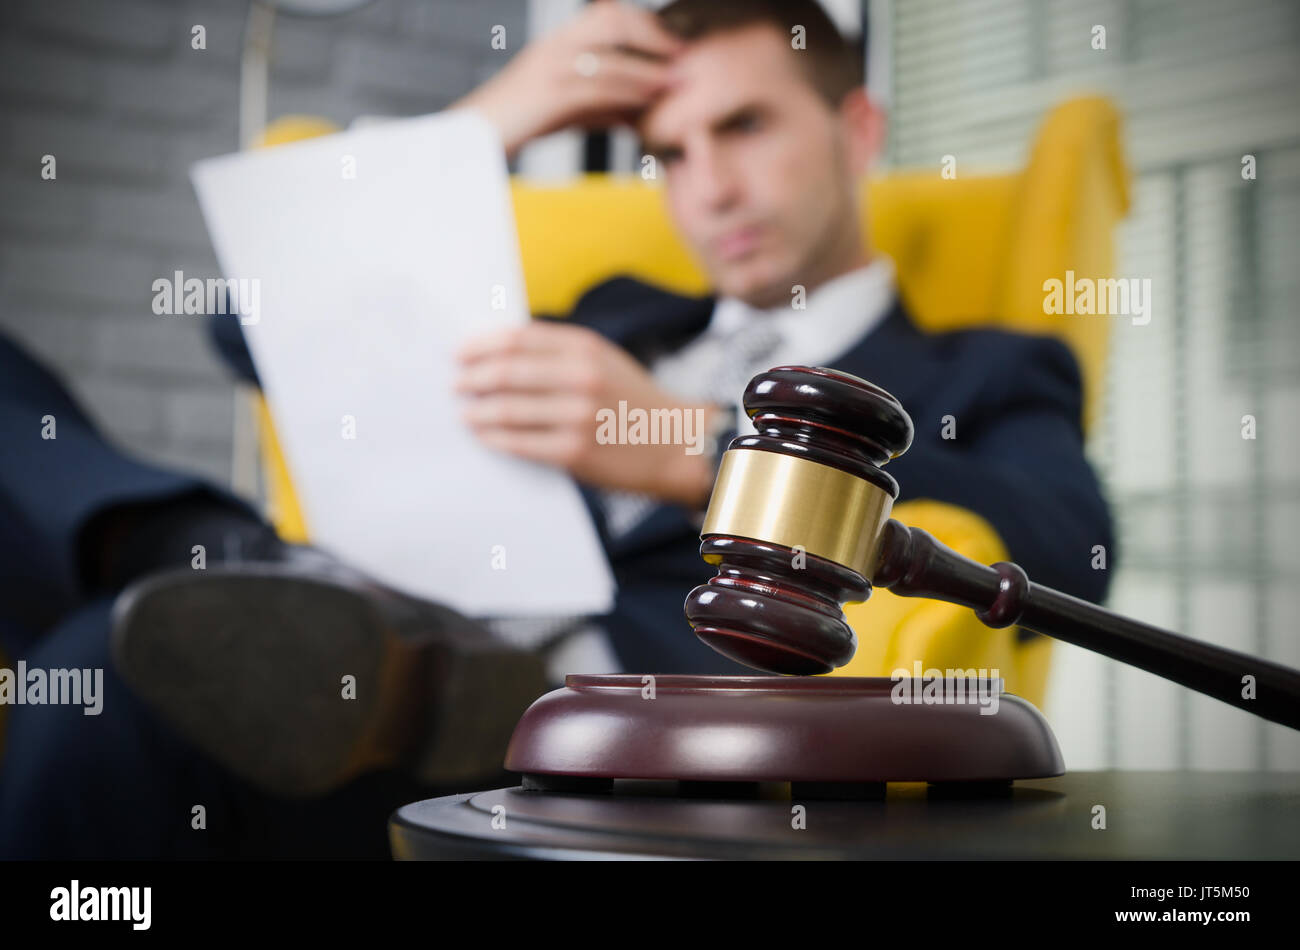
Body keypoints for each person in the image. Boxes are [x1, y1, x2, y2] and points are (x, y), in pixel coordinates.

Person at [0, 0, 1113, 858]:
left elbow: (1060, 540)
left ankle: (248, 590)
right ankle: (206, 549)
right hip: (347, 643)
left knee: (106, 660)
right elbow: (257, 323)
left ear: (854, 127)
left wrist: (689, 449)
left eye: (743, 125)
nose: (710, 187)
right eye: (669, 152)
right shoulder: (616, 308)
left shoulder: (981, 364)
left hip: (575, 748)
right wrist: (480, 127)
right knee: (110, 644)